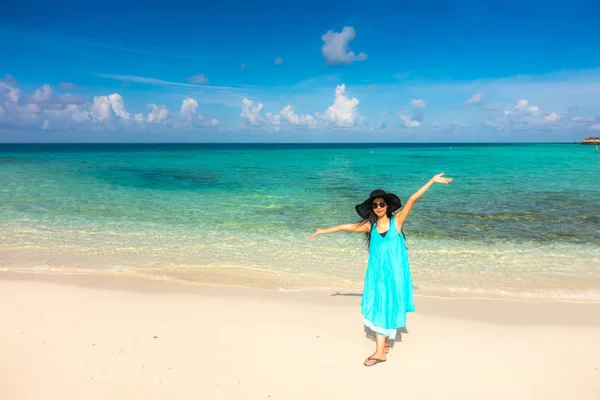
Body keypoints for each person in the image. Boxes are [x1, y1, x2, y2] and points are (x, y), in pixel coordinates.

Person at [308, 172, 453, 367]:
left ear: (387, 206)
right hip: (377, 275)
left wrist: (432, 181)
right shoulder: (370, 227)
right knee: (379, 304)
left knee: (386, 304)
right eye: (375, 205)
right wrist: (323, 231)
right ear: (372, 208)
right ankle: (382, 347)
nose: (378, 207)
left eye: (381, 204)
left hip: (394, 274)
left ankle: (380, 350)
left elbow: (412, 199)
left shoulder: (397, 222)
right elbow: (346, 227)